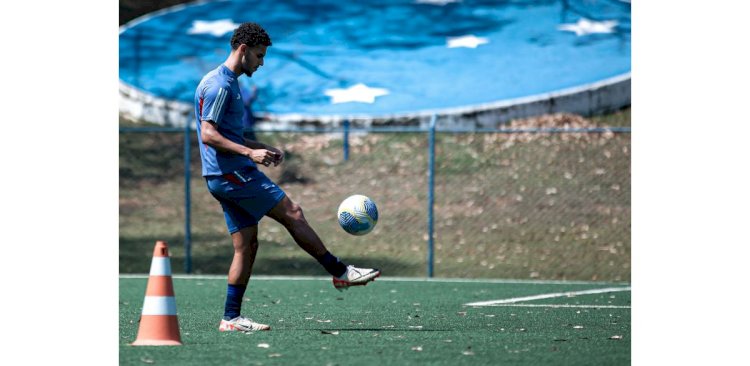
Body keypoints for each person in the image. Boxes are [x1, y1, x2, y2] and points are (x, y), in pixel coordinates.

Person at [193, 22, 381, 333]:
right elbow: (209, 135)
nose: (261, 62)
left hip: (225, 174)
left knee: (247, 246)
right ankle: (339, 271)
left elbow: (226, 134)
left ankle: (231, 318)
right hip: (231, 174)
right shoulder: (220, 85)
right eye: (259, 55)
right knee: (292, 212)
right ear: (242, 50)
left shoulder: (225, 82)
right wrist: (249, 155)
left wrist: (259, 147)